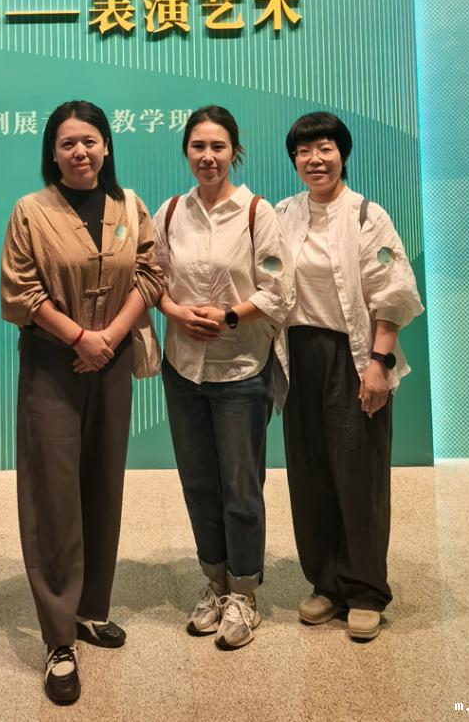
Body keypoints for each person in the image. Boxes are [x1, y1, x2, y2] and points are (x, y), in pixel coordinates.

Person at [0, 100, 163, 705]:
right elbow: (20, 292)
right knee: (53, 493)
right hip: (54, 364)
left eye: (90, 140)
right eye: (68, 143)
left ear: (106, 146)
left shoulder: (129, 206)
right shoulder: (30, 211)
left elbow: (151, 274)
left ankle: (92, 607)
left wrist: (109, 339)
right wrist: (79, 338)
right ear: (52, 151)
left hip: (111, 361)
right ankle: (58, 635)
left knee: (102, 482)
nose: (80, 152)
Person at [276, 111, 424, 642]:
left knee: (358, 473)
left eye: (325, 149)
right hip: (299, 355)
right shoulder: (283, 214)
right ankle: (326, 584)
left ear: (343, 154)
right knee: (310, 474)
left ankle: (365, 590)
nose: (314, 159)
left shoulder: (366, 215)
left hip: (353, 355)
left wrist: (378, 364)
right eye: (303, 151)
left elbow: (393, 293)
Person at [153, 105, 294, 651]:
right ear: (186, 152)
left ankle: (244, 591)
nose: (208, 157)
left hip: (240, 369)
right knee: (197, 482)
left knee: (241, 487)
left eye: (218, 147)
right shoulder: (170, 212)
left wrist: (231, 315)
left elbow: (278, 289)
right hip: (183, 368)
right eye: (198, 146)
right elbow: (153, 278)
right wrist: (174, 311)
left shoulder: (258, 213)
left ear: (235, 151)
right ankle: (214, 583)